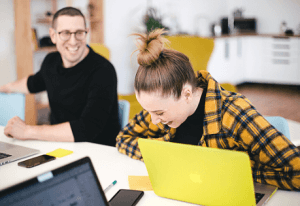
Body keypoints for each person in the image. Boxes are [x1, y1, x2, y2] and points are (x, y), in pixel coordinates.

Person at [116, 29, 300, 190]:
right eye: (149, 111)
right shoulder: (160, 109)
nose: (153, 120)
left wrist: (238, 171)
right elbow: (123, 139)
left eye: (159, 113)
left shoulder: (234, 113)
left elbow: (296, 172)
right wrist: (163, 156)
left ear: (187, 94)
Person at [0, 7, 120, 146]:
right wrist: (5, 87)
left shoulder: (103, 71)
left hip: (97, 152)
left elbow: (87, 128)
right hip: (59, 146)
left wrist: (27, 131)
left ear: (86, 33)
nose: (73, 41)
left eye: (79, 33)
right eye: (65, 33)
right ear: (53, 35)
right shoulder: (51, 61)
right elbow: (33, 83)